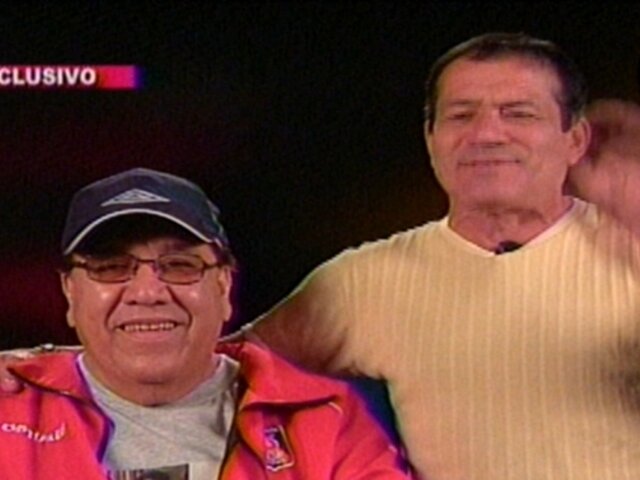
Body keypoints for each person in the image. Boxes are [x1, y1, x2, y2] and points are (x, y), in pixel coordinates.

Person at [241, 33, 640, 479]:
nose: (486, 134)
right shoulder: (364, 282)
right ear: (431, 139)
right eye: (461, 115)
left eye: (519, 114)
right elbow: (214, 376)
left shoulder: (630, 247)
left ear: (576, 139)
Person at [0, 168, 411, 479]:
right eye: (110, 267)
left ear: (223, 285)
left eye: (180, 265)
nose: (148, 292)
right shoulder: (9, 405)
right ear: (70, 292)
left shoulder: (326, 420)